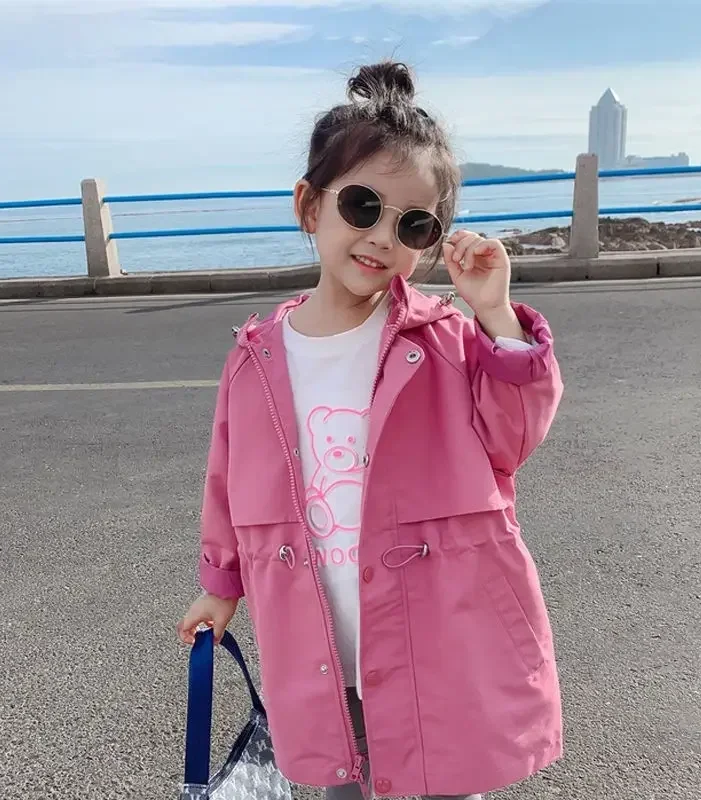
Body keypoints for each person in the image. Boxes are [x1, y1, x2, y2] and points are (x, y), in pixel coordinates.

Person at [178, 61, 564, 800]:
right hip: (320, 643)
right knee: (342, 782)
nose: (382, 237)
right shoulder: (256, 356)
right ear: (309, 206)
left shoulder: (446, 340)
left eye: (413, 224)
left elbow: (513, 439)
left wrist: (494, 315)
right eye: (362, 205)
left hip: (436, 643)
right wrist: (221, 588)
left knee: (445, 783)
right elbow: (228, 480)